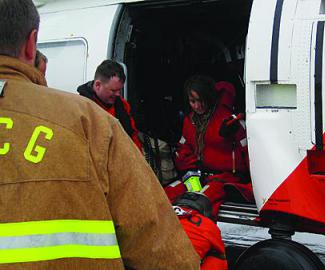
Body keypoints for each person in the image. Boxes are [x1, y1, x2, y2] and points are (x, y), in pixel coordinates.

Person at [0, 0, 199, 269]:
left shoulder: (109, 115)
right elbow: (161, 249)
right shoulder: (90, 123)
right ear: (31, 43)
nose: (117, 96)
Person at [166, 75, 253, 216]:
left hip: (224, 179)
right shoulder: (190, 121)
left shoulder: (229, 121)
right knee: (165, 195)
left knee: (197, 202)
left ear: (209, 98)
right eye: (193, 101)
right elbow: (184, 148)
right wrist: (189, 167)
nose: (197, 106)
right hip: (198, 176)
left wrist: (253, 184)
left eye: (201, 101)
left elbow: (249, 153)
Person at [77, 60, 143, 151]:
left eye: (119, 90)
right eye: (113, 90)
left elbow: (132, 134)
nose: (118, 94)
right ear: (98, 85)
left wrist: (138, 158)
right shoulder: (81, 108)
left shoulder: (122, 105)